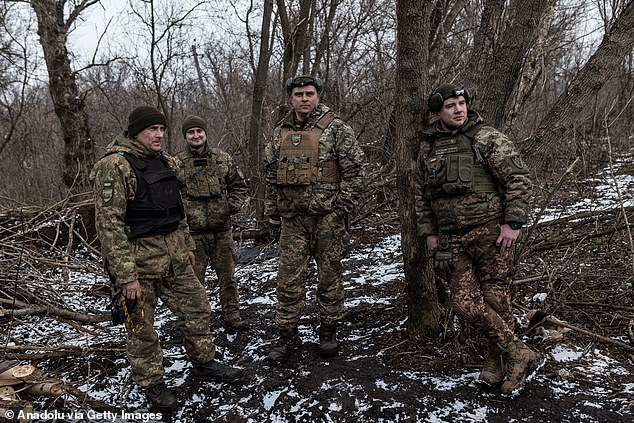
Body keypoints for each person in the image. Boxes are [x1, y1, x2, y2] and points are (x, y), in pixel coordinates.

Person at [91, 106, 242, 411]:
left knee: (198, 307)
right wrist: (126, 277)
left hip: (175, 258)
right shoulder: (114, 167)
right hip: (139, 265)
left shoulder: (165, 161)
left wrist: (187, 245)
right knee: (141, 327)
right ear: (136, 132)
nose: (159, 134)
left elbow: (178, 210)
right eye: (152, 130)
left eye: (162, 129)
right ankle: (152, 382)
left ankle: (204, 360)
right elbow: (109, 227)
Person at [414, 84, 542, 395]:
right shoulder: (429, 149)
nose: (458, 109)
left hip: (490, 233)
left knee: (497, 297)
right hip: (451, 238)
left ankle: (498, 360)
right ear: (438, 112)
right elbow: (422, 195)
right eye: (450, 106)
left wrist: (513, 223)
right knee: (464, 304)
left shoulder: (486, 137)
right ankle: (517, 351)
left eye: (461, 103)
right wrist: (429, 232)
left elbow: (518, 178)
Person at [263, 75, 365, 364]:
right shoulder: (279, 132)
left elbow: (355, 172)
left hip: (326, 218)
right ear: (290, 98)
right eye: (298, 94)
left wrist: (341, 208)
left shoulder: (336, 129)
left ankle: (329, 330)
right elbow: (272, 176)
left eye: (309, 93)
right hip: (292, 220)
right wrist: (273, 215)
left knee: (329, 275)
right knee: (288, 280)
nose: (304, 98)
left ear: (318, 96)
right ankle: (287, 334)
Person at [174, 115, 249, 333]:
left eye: (199, 131)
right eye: (191, 132)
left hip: (222, 231)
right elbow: (171, 196)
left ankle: (232, 315)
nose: (196, 136)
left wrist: (230, 207)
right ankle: (199, 321)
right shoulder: (177, 163)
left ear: (205, 133)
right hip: (193, 235)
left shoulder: (222, 158)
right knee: (195, 283)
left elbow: (239, 187)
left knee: (228, 278)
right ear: (185, 136)